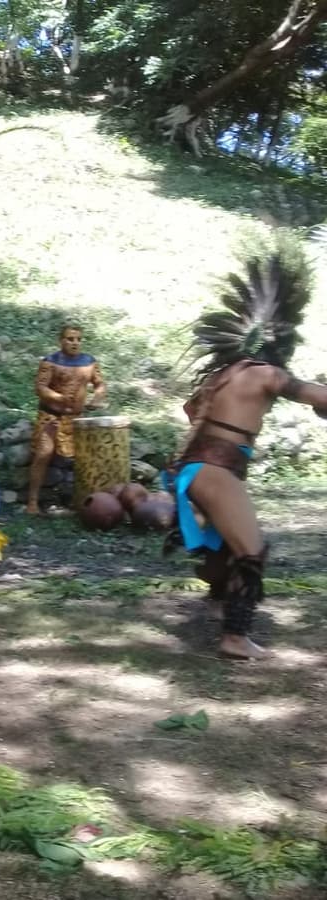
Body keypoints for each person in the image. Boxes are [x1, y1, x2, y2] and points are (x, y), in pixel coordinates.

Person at [167, 238, 327, 660]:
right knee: (252, 549)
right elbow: (318, 397)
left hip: (191, 471)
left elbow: (190, 410)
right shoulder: (267, 375)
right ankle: (235, 638)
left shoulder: (222, 375)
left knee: (226, 543)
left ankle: (219, 601)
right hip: (214, 471)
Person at [25, 326, 107, 514]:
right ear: (61, 340)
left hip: (76, 418)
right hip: (51, 417)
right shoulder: (50, 362)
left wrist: (97, 397)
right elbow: (40, 387)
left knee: (85, 458)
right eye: (70, 339)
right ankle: (32, 501)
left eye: (78, 339)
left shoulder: (89, 362)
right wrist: (57, 397)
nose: (75, 343)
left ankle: (86, 500)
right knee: (43, 454)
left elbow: (100, 383)